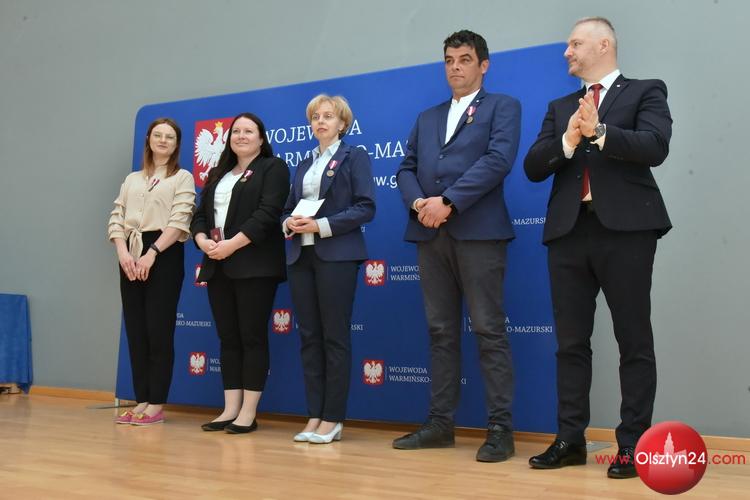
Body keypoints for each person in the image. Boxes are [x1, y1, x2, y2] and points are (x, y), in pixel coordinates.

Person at [524, 17, 672, 479]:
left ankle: (633, 445)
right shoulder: (560, 107)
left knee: (633, 340)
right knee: (570, 344)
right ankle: (570, 440)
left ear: (603, 44)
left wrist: (600, 130)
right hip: (568, 234)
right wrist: (569, 139)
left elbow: (655, 146)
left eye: (575, 43)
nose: (566, 52)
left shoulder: (646, 91)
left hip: (626, 232)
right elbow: (533, 166)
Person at [393, 30, 521, 462]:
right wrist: (419, 204)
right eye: (449, 60)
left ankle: (500, 430)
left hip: (479, 234)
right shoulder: (427, 117)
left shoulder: (503, 106)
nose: (455, 67)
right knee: (440, 332)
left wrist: (447, 201)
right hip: (430, 236)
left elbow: (498, 161)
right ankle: (440, 425)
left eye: (464, 59)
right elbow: (406, 168)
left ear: (483, 65)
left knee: (488, 330)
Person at [282, 94, 375, 444]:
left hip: (336, 256)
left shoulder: (355, 156)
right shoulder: (304, 162)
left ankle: (332, 419)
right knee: (309, 337)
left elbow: (366, 207)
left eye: (328, 116)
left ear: (342, 123)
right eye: (315, 117)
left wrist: (319, 226)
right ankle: (314, 415)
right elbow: (287, 209)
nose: (320, 122)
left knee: (334, 337)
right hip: (300, 257)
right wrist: (288, 223)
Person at [191, 112, 290, 434]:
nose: (242, 136)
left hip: (254, 265)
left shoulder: (273, 168)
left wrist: (232, 245)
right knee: (228, 338)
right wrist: (202, 240)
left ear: (261, 139)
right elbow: (199, 215)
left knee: (251, 337)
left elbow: (267, 214)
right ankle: (229, 409)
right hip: (217, 264)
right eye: (236, 131)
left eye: (249, 131)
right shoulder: (217, 173)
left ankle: (248, 412)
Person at [108, 117, 196, 426]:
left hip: (163, 254)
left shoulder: (182, 177)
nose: (162, 140)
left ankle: (156, 404)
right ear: (148, 139)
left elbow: (180, 220)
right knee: (136, 331)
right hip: (130, 254)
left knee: (158, 331)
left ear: (176, 144)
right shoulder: (132, 179)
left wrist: (152, 253)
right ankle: (141, 400)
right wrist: (123, 253)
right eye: (157, 135)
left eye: (169, 137)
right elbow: (117, 216)